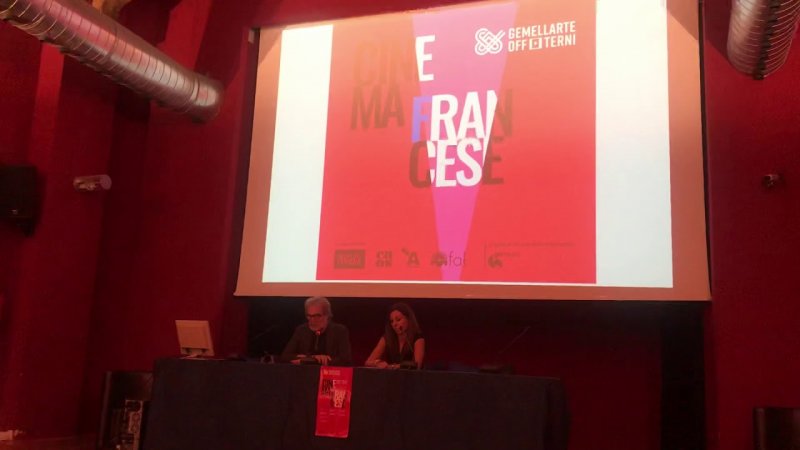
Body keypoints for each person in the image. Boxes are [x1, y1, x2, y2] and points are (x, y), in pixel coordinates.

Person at [281, 296, 352, 366]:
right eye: (309, 316)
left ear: (327, 315)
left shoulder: (339, 331)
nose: (312, 320)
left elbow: (345, 359)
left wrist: (323, 361)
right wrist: (311, 358)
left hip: (330, 371)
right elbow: (285, 356)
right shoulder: (301, 330)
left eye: (317, 316)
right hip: (306, 371)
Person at [365, 302, 425, 369]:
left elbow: (417, 365)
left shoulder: (418, 338)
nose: (394, 324)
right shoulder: (387, 337)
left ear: (408, 319)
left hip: (410, 375)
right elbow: (368, 362)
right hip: (391, 375)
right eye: (392, 321)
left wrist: (393, 366)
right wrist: (377, 363)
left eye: (398, 320)